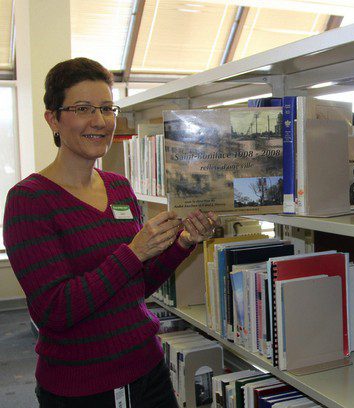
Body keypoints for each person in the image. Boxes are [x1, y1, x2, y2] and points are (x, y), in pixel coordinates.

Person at [2, 57, 219, 407]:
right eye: (83, 109)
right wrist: (133, 252)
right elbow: (54, 311)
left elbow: (136, 287)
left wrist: (182, 243)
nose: (100, 121)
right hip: (81, 388)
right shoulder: (28, 200)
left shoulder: (119, 187)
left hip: (148, 370)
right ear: (53, 119)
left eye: (106, 108)